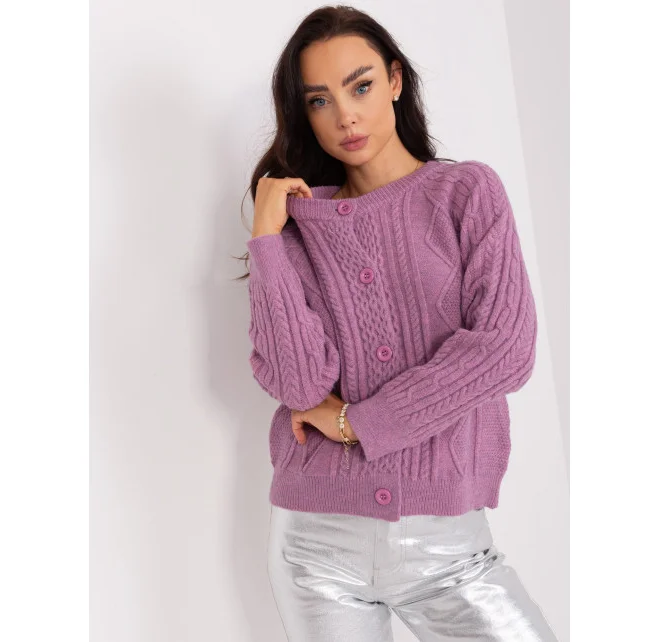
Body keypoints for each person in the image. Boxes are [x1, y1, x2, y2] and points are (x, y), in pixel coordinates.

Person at [237, 5, 559, 641]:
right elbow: (300, 384)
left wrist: (360, 422)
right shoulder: (299, 228)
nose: (345, 116)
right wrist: (267, 242)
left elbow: (505, 350)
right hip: (316, 549)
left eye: (359, 86)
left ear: (394, 80)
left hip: (449, 547)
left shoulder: (466, 194)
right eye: (320, 100)